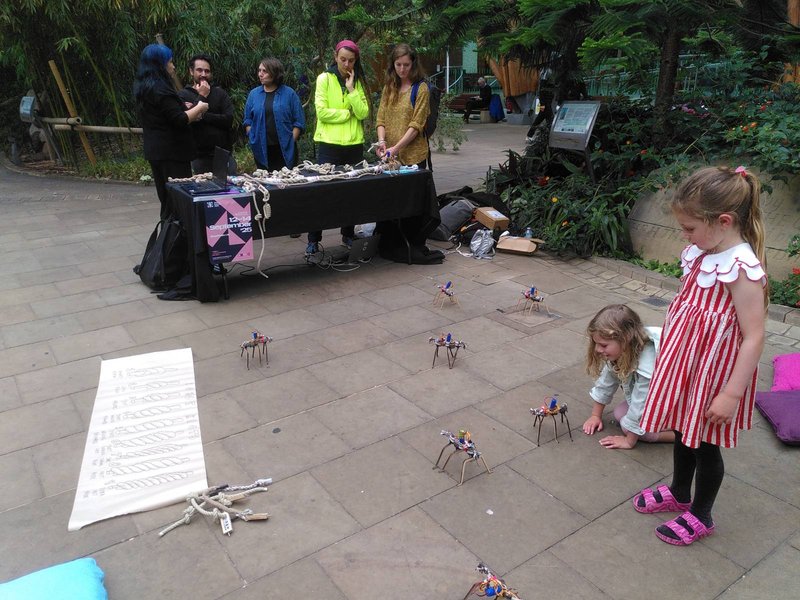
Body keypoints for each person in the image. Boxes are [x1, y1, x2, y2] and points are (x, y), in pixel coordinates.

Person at [633, 165, 767, 547]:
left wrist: (731, 394)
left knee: (705, 442)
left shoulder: (742, 268)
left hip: (715, 376)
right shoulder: (702, 250)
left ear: (723, 221)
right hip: (687, 367)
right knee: (681, 428)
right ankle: (679, 490)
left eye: (690, 228)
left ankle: (702, 514)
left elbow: (754, 336)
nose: (684, 235)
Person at [307, 39, 369, 255]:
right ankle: (313, 239)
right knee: (321, 193)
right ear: (335, 57)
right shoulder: (324, 78)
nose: (346, 64)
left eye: (351, 60)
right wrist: (346, 114)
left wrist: (351, 90)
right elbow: (321, 112)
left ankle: (348, 234)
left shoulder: (357, 82)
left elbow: (363, 113)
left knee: (351, 193)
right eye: (342, 59)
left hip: (354, 145)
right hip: (328, 145)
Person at [582, 304, 675, 449]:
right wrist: (595, 415)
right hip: (660, 401)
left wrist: (629, 441)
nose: (598, 349)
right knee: (620, 414)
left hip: (674, 403)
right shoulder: (623, 351)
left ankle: (679, 435)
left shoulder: (647, 360)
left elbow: (641, 401)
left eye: (603, 345)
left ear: (625, 339)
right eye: (596, 343)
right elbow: (606, 383)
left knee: (633, 429)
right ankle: (669, 424)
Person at [134, 44, 207, 220]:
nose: (173, 66)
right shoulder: (160, 88)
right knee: (178, 202)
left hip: (157, 152)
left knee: (168, 202)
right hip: (171, 154)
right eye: (170, 62)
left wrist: (184, 108)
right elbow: (180, 119)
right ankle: (175, 244)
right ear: (160, 64)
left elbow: (166, 114)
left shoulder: (144, 86)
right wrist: (201, 102)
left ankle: (167, 244)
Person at [243, 57, 305, 171]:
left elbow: (299, 121)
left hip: (285, 149)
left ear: (275, 73)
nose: (260, 74)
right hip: (261, 148)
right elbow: (247, 119)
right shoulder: (254, 94)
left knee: (287, 184)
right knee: (266, 183)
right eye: (259, 70)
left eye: (264, 71)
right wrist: (252, 136)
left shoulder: (289, 94)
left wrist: (291, 140)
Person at [178, 53, 236, 175]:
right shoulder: (183, 95)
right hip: (198, 156)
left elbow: (228, 119)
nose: (203, 74)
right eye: (199, 70)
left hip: (223, 155)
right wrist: (202, 96)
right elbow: (186, 120)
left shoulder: (220, 93)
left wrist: (202, 114)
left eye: (207, 71)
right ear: (191, 71)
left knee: (230, 192)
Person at [375, 43, 430, 168]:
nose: (402, 69)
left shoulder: (421, 89)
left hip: (413, 157)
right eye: (398, 64)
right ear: (393, 65)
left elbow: (416, 125)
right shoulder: (389, 87)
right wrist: (382, 141)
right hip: (389, 155)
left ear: (413, 65)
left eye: (406, 65)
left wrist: (395, 148)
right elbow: (380, 119)